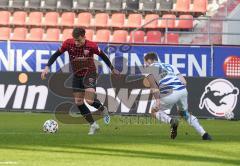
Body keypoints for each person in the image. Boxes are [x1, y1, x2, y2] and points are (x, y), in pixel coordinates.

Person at [41, 27, 120, 135]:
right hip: (77, 75)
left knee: (90, 101)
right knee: (79, 102)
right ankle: (93, 125)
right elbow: (56, 54)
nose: (76, 42)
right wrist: (47, 67)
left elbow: (103, 56)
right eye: (75, 40)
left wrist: (112, 68)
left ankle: (103, 109)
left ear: (84, 37)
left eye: (78, 40)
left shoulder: (92, 46)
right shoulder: (68, 44)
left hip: (90, 73)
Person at [144, 52, 212, 140]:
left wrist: (157, 101)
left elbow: (153, 86)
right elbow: (184, 82)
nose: (145, 64)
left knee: (154, 111)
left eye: (145, 62)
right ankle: (204, 134)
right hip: (182, 91)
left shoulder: (149, 69)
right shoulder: (170, 66)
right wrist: (179, 98)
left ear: (149, 60)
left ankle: (172, 121)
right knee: (184, 113)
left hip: (169, 92)